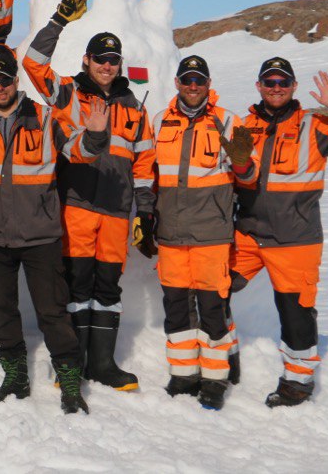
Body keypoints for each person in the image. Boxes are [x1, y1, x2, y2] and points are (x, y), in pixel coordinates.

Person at [0, 55, 108, 414]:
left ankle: (69, 382)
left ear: (15, 81)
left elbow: (79, 151)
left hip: (40, 235)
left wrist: (96, 135)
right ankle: (15, 376)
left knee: (52, 312)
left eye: (5, 80)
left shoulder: (47, 118)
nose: (0, 87)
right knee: (0, 310)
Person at [22, 0, 153, 391]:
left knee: (107, 287)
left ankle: (102, 363)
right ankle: (71, 364)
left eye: (114, 60)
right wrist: (59, 20)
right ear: (87, 60)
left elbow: (145, 164)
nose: (108, 66)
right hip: (76, 205)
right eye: (101, 58)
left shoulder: (135, 106)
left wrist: (145, 213)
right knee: (77, 286)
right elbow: (32, 63)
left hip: (116, 210)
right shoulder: (68, 93)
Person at [230, 58, 328, 407]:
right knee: (213, 291)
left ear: (293, 87)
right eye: (269, 82)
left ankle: (297, 383)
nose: (276, 88)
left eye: (283, 82)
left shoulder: (315, 125)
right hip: (247, 235)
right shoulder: (243, 127)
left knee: (295, 311)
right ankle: (223, 360)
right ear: (259, 85)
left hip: (295, 241)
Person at [142, 55, 251, 410]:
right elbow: (148, 173)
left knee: (212, 308)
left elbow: (248, 179)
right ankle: (184, 373)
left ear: (208, 84)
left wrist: (243, 162)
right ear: (176, 82)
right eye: (186, 79)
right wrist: (145, 218)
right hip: (171, 234)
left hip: (211, 235)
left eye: (198, 80)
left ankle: (215, 379)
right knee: (176, 308)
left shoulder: (228, 121)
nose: (192, 86)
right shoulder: (159, 122)